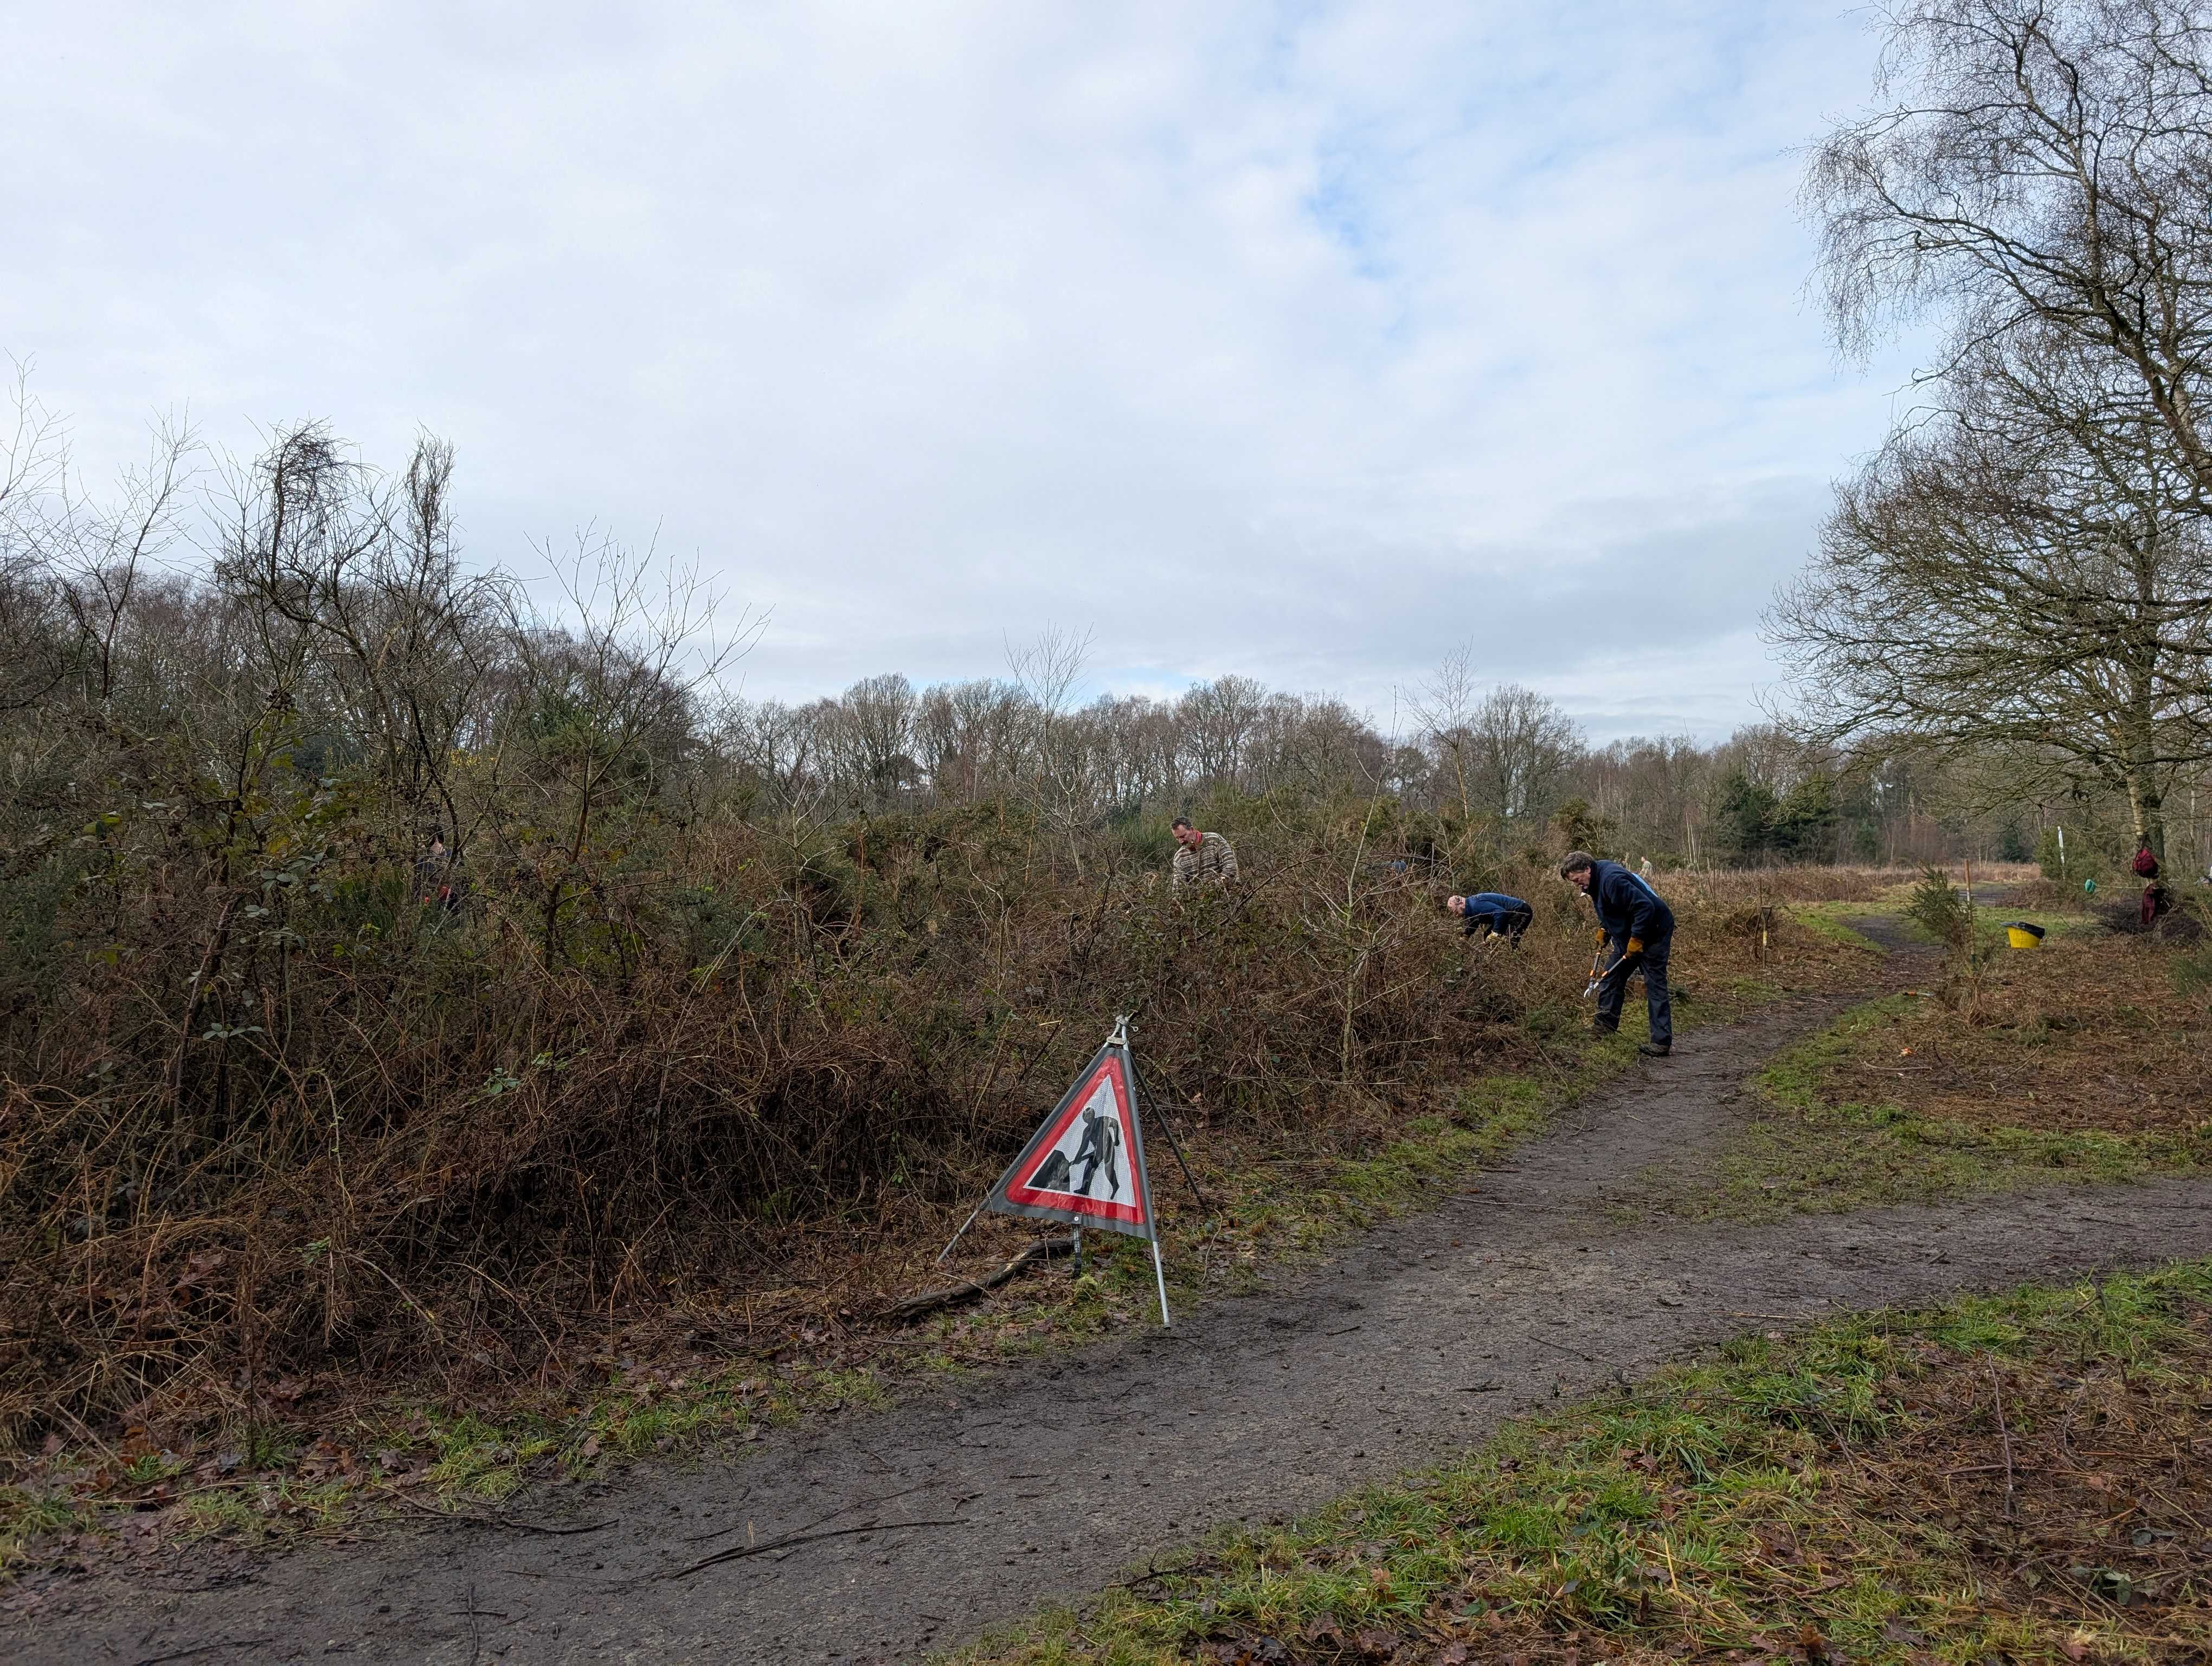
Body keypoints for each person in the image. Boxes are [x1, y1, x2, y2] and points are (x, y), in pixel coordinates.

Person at [1559, 849, 1675, 1057]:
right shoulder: (1595, 880)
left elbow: (1644, 907)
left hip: (1654, 931)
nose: (1577, 885)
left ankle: (1661, 1041)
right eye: (1574, 882)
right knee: (1611, 977)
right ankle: (1604, 1027)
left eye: (1577, 880)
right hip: (1629, 935)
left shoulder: (1611, 879)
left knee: (1654, 983)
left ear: (1587, 869)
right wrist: (1606, 928)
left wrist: (1637, 939)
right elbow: (1615, 907)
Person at [1169, 817, 1239, 890]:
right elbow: (1178, 888)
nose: (1181, 842)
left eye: (1183, 836)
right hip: (1197, 900)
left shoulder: (1215, 840)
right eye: (1177, 838)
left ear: (1192, 830)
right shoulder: (1179, 857)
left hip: (1226, 895)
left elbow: (1231, 869)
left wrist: (1211, 888)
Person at [1448, 891, 1533, 944]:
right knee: (1488, 936)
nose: (1456, 914)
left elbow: (1500, 913)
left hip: (1520, 912)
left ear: (1461, 904)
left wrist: (1495, 933)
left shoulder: (1475, 905)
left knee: (1511, 941)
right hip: (1510, 915)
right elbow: (1475, 921)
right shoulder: (1471, 906)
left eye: (1455, 911)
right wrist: (1466, 935)